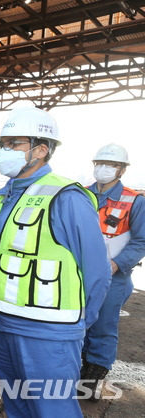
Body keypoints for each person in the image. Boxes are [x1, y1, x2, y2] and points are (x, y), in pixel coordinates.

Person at [0, 107, 111, 417]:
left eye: (13, 143)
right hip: (3, 323)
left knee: (53, 409)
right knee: (15, 404)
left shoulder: (67, 196)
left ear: (41, 150)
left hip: (49, 332)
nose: (3, 151)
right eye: (2, 144)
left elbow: (96, 273)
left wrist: (78, 327)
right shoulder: (1, 198)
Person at [81, 143, 145, 398]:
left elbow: (141, 240)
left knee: (103, 328)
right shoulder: (81, 194)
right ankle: (77, 371)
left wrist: (117, 263)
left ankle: (92, 382)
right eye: (100, 164)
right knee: (77, 324)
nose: (104, 169)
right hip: (79, 274)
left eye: (111, 165)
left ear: (122, 170)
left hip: (113, 277)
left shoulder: (134, 200)